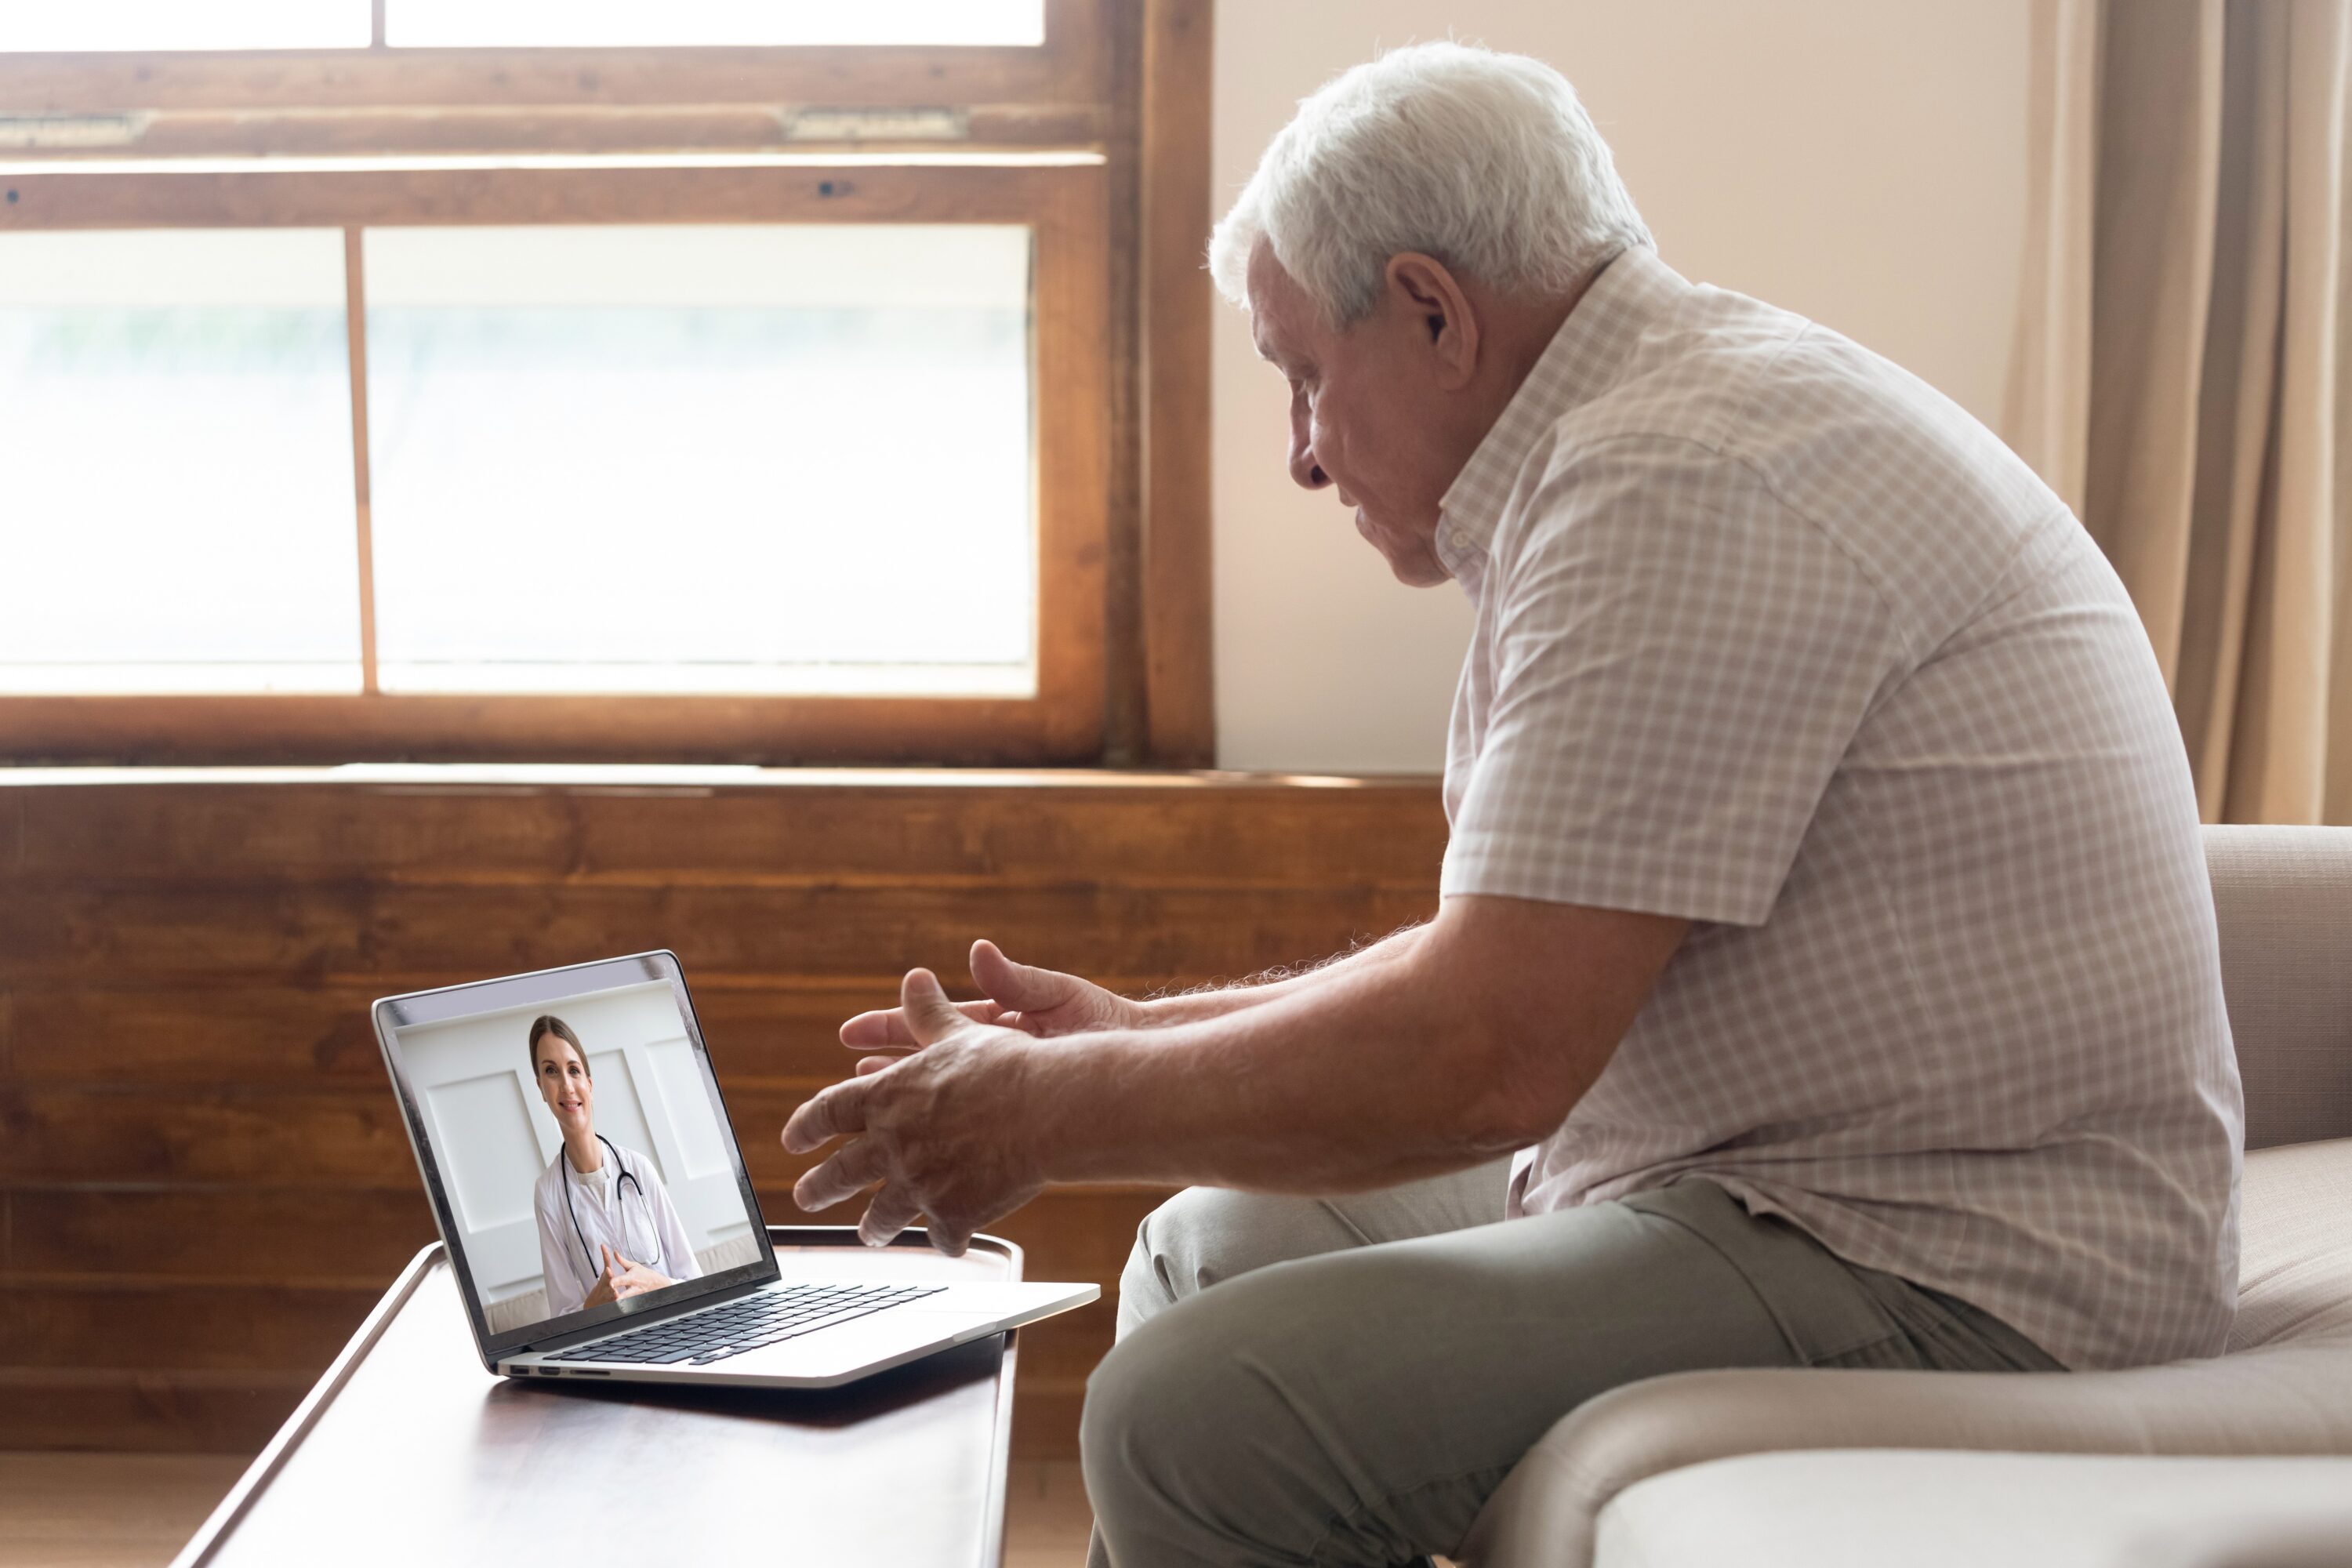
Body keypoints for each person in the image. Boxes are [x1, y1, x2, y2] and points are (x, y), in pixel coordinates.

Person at [780, 40, 2244, 1568]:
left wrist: (1036, 1109)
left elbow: (1488, 1054)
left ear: (1432, 309)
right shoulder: (1658, 431)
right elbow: (1495, 960)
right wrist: (1133, 1038)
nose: (1298, 451)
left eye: (1301, 374)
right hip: (1801, 1170)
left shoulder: (1678, 484)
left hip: (1955, 1265)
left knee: (1191, 1416)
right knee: (1208, 1248)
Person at [527, 1014, 701, 1318]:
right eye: (551, 1072)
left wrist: (658, 1284)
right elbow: (563, 1316)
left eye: (574, 1070)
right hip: (618, 1347)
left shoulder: (639, 1168)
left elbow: (695, 1282)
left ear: (589, 1084)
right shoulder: (548, 1193)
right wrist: (594, 1306)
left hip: (679, 1326)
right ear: (541, 1088)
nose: (567, 1086)